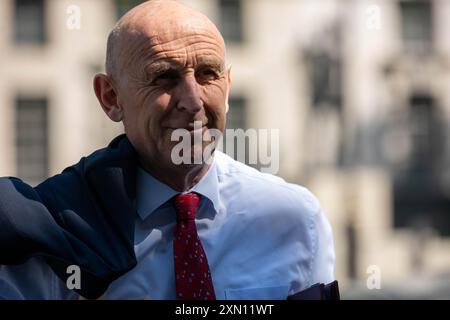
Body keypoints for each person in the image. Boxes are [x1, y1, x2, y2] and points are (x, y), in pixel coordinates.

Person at [0, 0, 335, 300]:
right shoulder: (55, 234)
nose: (192, 101)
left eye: (207, 74)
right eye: (163, 77)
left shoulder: (295, 219)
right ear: (111, 98)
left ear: (228, 87)